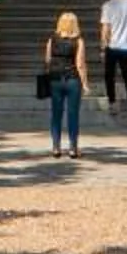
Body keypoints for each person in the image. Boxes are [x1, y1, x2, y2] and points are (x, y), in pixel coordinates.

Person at [42, 11, 88, 157]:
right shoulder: (78, 41)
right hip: (72, 79)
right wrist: (85, 83)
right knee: (73, 114)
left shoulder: (52, 39)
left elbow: (48, 60)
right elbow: (80, 64)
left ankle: (56, 147)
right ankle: (73, 148)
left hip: (55, 79)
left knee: (56, 114)